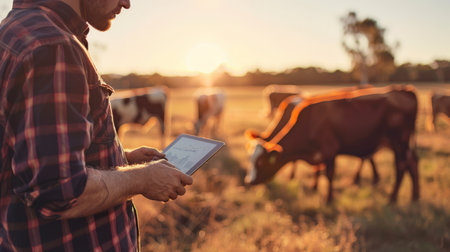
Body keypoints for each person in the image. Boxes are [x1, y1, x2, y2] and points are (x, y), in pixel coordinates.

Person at [0, 0, 193, 251]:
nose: (127, 3)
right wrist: (143, 179)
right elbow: (59, 191)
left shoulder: (15, 31)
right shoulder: (53, 46)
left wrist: (121, 159)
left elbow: (32, 157)